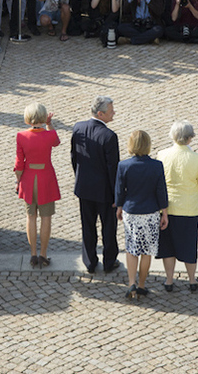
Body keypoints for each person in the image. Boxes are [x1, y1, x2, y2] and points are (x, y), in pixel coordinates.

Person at [156, 120, 198, 293]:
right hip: (189, 208)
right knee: (189, 244)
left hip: (167, 208)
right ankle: (192, 280)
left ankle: (169, 280)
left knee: (168, 246)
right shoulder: (197, 159)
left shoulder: (162, 155)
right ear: (190, 138)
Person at [115, 129, 169, 299]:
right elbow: (161, 191)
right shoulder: (156, 166)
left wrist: (119, 207)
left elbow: (119, 191)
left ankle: (131, 282)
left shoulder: (123, 165)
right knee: (146, 251)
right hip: (151, 212)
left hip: (131, 211)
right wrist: (164, 213)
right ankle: (142, 285)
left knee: (131, 249)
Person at [70, 95, 120, 274]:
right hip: (105, 192)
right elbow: (113, 169)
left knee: (88, 226)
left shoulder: (78, 128)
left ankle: (90, 262)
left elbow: (74, 158)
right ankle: (109, 261)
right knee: (108, 227)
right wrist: (117, 195)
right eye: (111, 111)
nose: (114, 113)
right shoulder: (109, 136)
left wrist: (80, 178)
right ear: (100, 113)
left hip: (84, 188)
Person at [14, 102, 61, 268]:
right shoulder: (49, 135)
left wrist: (18, 180)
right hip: (46, 178)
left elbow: (19, 163)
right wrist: (49, 124)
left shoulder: (21, 136)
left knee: (31, 217)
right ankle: (43, 254)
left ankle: (33, 254)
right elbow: (56, 141)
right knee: (46, 218)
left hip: (28, 179)